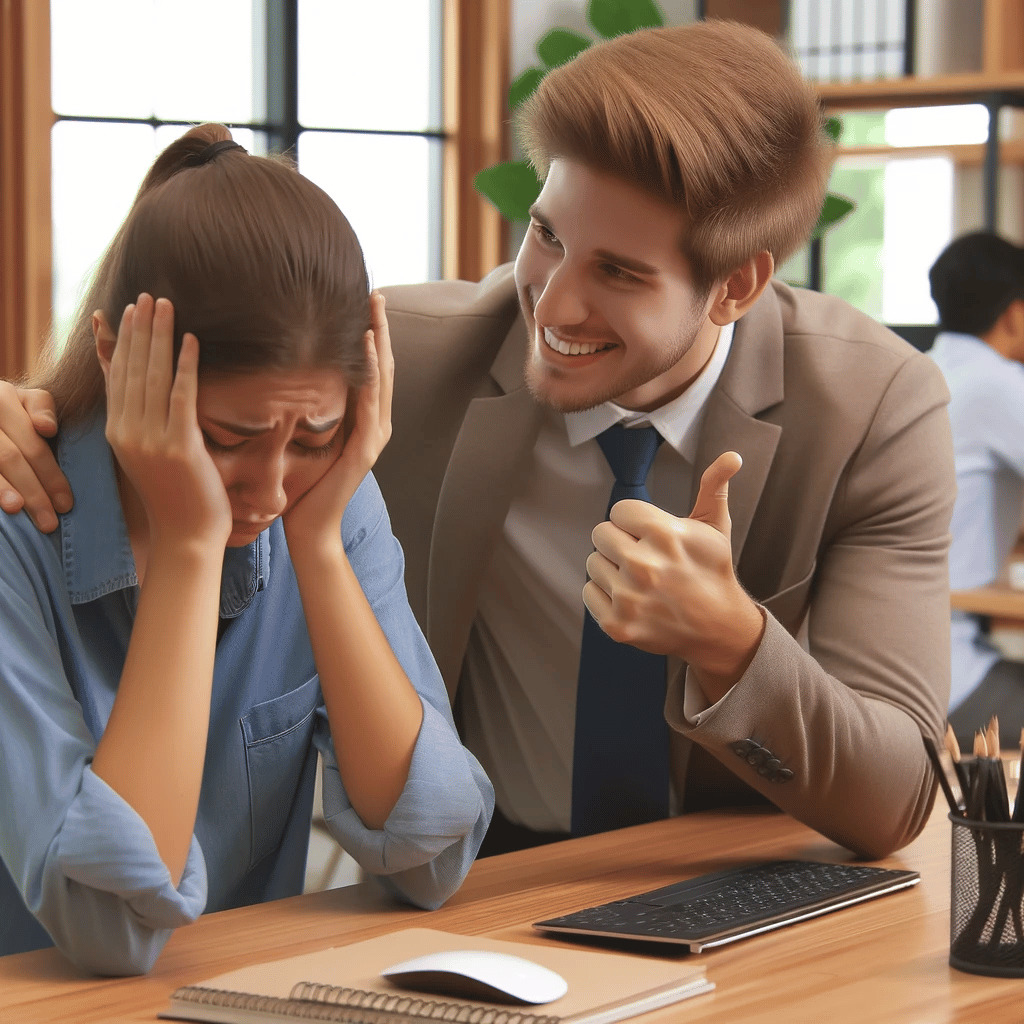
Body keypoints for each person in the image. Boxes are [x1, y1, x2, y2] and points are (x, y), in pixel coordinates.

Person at [0, 23, 953, 863]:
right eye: (546, 233)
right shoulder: (402, 359)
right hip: (487, 884)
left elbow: (901, 796)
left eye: (618, 272)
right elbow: (146, 385)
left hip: (722, 876)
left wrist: (734, 641)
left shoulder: (872, 410)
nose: (554, 303)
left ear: (736, 287)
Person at [0, 123, 492, 973]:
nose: (269, 489)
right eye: (229, 437)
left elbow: (432, 854)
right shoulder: (16, 532)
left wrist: (323, 549)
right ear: (121, 360)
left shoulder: (323, 504)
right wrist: (193, 547)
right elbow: (112, 927)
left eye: (315, 434)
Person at [927, 231, 1024, 749]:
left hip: (884, 672)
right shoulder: (997, 383)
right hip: (946, 682)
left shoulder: (923, 371)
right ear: (1013, 313)